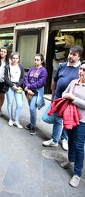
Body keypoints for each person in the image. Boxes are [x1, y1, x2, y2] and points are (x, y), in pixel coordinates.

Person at [42, 46, 83, 151]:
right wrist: (52, 95)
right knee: (57, 119)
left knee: (67, 120)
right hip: (59, 98)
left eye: (74, 54)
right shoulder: (62, 66)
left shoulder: (81, 70)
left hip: (71, 101)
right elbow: (55, 80)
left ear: (79, 57)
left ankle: (64, 139)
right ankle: (54, 140)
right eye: (70, 53)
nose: (71, 56)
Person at [60, 60, 85, 188]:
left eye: (84, 70)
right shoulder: (73, 82)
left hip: (82, 121)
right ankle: (71, 160)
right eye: (81, 69)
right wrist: (68, 96)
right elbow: (64, 93)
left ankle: (77, 174)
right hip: (70, 116)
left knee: (79, 146)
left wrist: (74, 99)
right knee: (70, 140)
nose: (81, 72)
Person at [24, 54, 48, 135]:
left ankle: (33, 126)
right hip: (29, 93)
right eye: (35, 59)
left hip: (36, 93)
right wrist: (27, 87)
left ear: (41, 61)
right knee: (32, 110)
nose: (36, 61)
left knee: (32, 109)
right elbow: (26, 78)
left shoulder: (43, 71)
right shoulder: (32, 69)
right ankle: (31, 123)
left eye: (38, 60)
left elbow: (40, 83)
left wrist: (28, 87)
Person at [4, 51, 24, 128]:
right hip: (10, 86)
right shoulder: (7, 67)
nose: (15, 60)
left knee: (19, 104)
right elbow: (6, 78)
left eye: (16, 58)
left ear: (18, 59)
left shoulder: (21, 67)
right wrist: (12, 85)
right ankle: (10, 119)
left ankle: (16, 120)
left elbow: (22, 78)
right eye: (13, 58)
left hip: (18, 87)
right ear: (11, 58)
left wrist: (18, 85)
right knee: (10, 103)